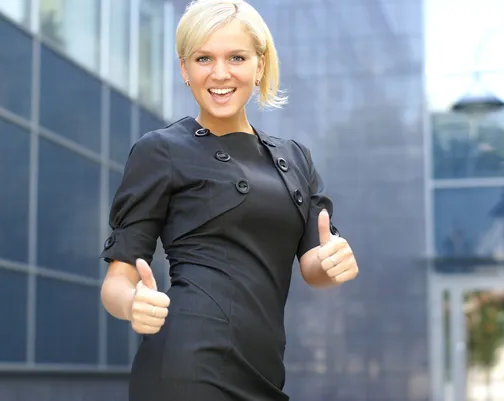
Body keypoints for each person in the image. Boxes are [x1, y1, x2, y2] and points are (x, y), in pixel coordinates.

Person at [99, 0, 359, 400]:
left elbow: (313, 266)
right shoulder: (160, 151)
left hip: (265, 369)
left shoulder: (294, 157)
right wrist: (133, 303)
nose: (220, 73)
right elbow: (117, 282)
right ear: (185, 69)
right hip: (187, 366)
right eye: (204, 58)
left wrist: (332, 261)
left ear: (260, 64)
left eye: (236, 57)